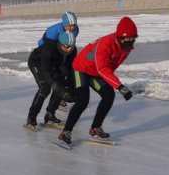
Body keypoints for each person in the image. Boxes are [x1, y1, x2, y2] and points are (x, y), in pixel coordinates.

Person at [57, 16, 138, 147]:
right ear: (119, 36)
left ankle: (96, 128)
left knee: (108, 95)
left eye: (132, 38)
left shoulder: (126, 47)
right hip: (81, 68)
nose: (129, 41)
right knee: (83, 100)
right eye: (127, 38)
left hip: (95, 72)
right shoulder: (106, 44)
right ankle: (66, 132)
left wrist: (113, 83)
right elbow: (103, 68)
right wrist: (120, 86)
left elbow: (110, 67)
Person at [25, 31, 77, 130]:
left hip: (54, 65)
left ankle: (50, 115)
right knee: (45, 88)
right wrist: (55, 85)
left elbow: (70, 70)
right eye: (66, 47)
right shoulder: (49, 49)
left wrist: (71, 88)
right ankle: (31, 118)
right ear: (60, 43)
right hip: (37, 63)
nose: (69, 50)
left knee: (60, 85)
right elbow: (46, 71)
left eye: (71, 47)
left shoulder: (72, 51)